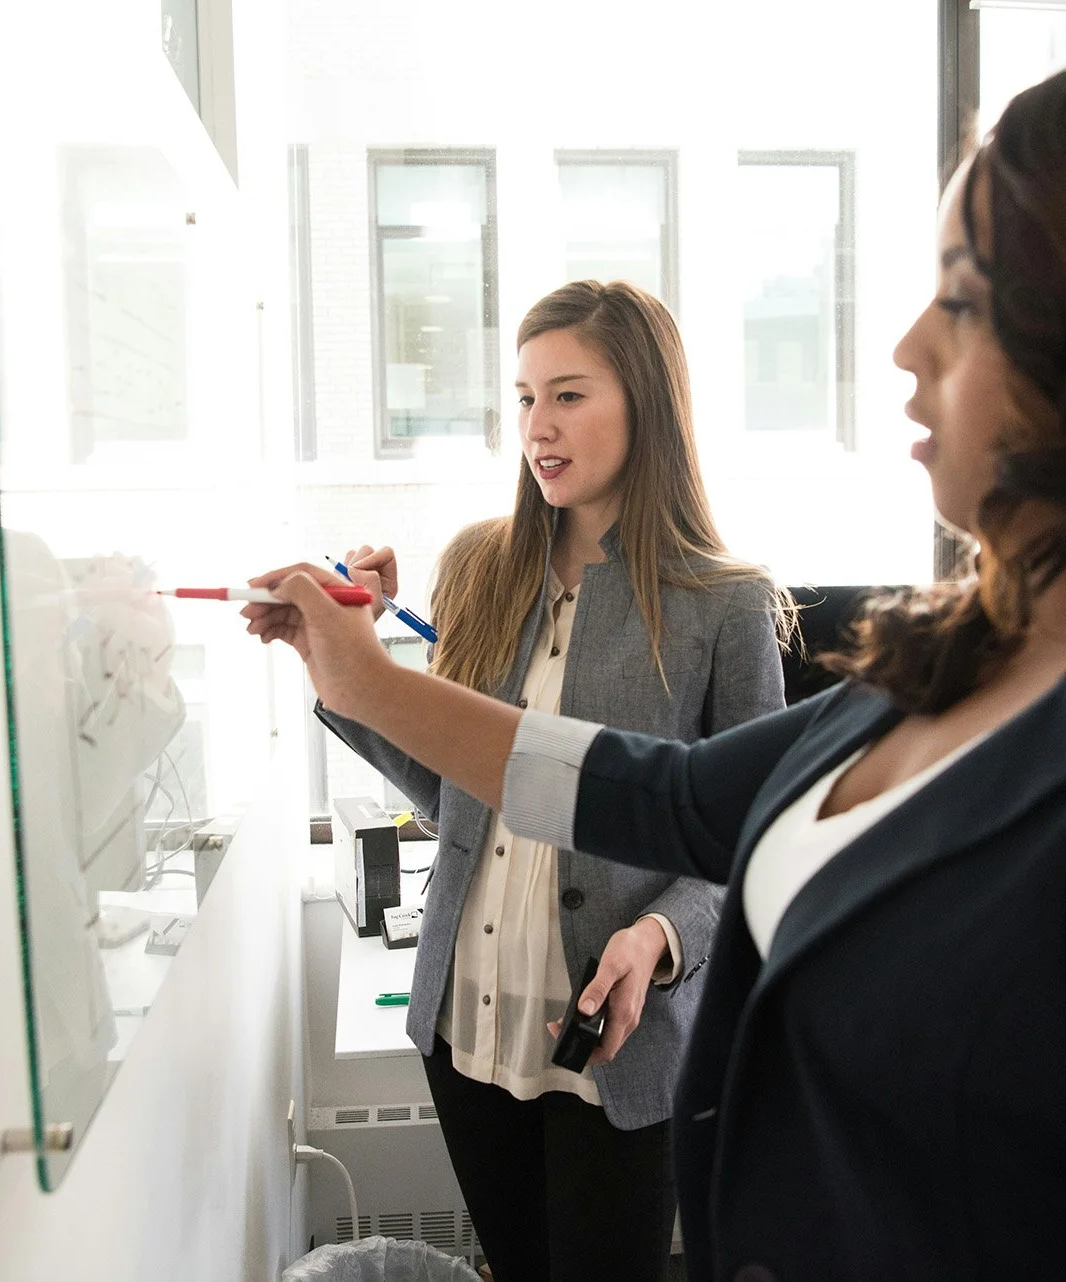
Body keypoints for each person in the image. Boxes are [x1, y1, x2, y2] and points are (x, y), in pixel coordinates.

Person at [252, 41, 1066, 1281]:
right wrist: (357, 678)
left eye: (962, 296)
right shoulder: (956, 662)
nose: (907, 346)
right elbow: (663, 795)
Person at [316, 280, 791, 1281]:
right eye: (526, 397)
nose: (539, 426)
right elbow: (453, 793)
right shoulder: (479, 565)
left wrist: (661, 937)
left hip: (615, 1038)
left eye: (569, 394)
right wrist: (349, 669)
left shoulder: (725, 603)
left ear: (646, 404)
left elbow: (755, 839)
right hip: (466, 1014)